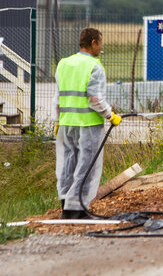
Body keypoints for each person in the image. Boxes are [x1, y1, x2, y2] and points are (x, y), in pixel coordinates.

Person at [52, 28, 121, 219]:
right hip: (88, 124)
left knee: (67, 164)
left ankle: (66, 205)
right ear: (93, 43)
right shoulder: (94, 66)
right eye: (100, 42)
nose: (101, 46)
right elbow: (94, 98)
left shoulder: (64, 64)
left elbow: (57, 98)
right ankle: (78, 209)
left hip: (66, 125)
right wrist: (110, 115)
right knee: (86, 166)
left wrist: (57, 120)